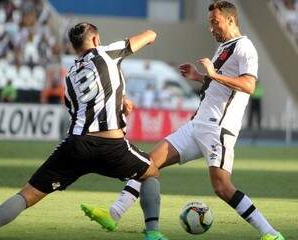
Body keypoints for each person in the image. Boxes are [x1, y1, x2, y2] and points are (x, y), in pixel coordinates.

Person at [82, 2, 285, 240]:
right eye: (210, 22)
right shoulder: (223, 48)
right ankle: (113, 214)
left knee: (222, 187)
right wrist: (199, 77)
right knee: (148, 164)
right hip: (198, 124)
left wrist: (212, 74)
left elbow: (249, 85)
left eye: (215, 22)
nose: (211, 28)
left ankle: (271, 233)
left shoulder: (245, 47)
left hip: (218, 127)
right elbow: (218, 84)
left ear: (230, 20)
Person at [0, 22, 159, 240]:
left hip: (77, 145)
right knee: (151, 173)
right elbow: (150, 35)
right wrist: (150, 34)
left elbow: (82, 110)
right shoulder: (106, 53)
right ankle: (152, 234)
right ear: (95, 39)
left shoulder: (70, 76)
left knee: (27, 194)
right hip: (112, 146)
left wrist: (120, 104)